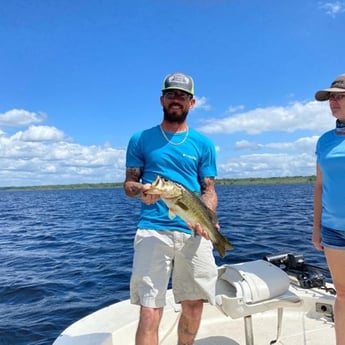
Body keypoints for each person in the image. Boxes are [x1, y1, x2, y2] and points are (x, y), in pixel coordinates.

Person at [123, 72, 219, 345]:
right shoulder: (141, 138)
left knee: (194, 304)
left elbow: (208, 190)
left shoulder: (204, 144)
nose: (176, 100)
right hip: (153, 230)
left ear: (192, 103)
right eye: (171, 94)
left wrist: (209, 218)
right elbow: (129, 183)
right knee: (150, 310)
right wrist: (141, 189)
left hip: (194, 231)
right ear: (161, 99)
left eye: (182, 96)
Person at [313, 74, 345, 345]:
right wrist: (316, 229)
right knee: (342, 294)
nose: (332, 102)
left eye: (339, 96)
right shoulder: (324, 141)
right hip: (333, 230)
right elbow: (319, 186)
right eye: (331, 97)